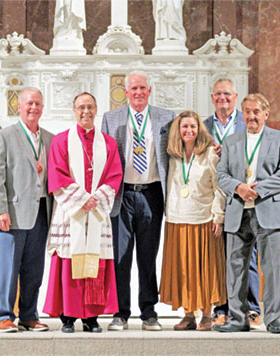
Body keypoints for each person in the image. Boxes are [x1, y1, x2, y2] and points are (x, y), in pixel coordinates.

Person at [214, 93, 280, 334]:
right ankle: (238, 318)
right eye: (247, 112)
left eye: (256, 112)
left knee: (274, 269)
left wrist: (257, 191)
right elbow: (222, 175)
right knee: (236, 268)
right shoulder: (231, 142)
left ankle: (273, 318)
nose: (251, 116)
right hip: (238, 212)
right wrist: (239, 188)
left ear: (265, 114)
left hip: (270, 210)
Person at [43, 92, 123, 333]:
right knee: (68, 262)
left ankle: (91, 317)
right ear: (74, 110)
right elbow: (57, 174)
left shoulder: (108, 143)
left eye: (89, 107)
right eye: (81, 107)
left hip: (97, 212)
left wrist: (96, 198)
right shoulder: (61, 140)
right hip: (71, 212)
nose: (85, 111)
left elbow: (114, 174)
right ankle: (68, 315)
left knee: (96, 264)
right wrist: (81, 199)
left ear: (96, 110)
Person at [102, 71, 175, 331]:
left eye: (143, 87)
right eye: (133, 88)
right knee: (120, 256)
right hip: (122, 195)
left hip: (152, 193)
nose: (138, 92)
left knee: (148, 256)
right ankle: (120, 312)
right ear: (126, 91)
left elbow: (179, 151)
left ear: (150, 90)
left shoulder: (167, 118)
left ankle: (148, 312)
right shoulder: (111, 119)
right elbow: (102, 158)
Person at [0, 87, 53, 333]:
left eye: (37, 103)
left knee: (34, 268)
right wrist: (0, 210)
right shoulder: (4, 136)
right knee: (8, 267)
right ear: (19, 106)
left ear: (43, 108)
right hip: (11, 214)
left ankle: (28, 315)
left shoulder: (50, 138)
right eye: (29, 104)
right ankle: (3, 315)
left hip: (41, 212)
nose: (33, 108)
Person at [159, 111, 226, 331]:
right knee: (184, 270)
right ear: (178, 130)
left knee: (203, 269)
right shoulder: (172, 155)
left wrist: (218, 216)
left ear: (200, 130)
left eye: (193, 127)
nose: (189, 131)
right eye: (185, 126)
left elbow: (219, 187)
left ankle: (206, 314)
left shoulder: (210, 154)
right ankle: (188, 315)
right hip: (177, 219)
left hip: (204, 218)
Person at [204, 78, 262, 329]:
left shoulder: (247, 122)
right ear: (212, 97)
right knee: (220, 257)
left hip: (243, 197)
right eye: (218, 94)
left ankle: (252, 309)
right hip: (215, 200)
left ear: (235, 97)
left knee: (247, 256)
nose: (222, 98)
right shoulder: (203, 126)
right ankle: (222, 307)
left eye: (227, 94)